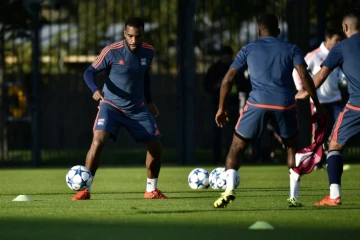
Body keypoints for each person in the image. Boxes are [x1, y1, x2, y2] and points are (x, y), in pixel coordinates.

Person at [212, 13, 325, 208]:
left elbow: (227, 79)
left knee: (236, 148)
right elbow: (304, 76)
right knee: (291, 149)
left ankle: (229, 190)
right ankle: (293, 197)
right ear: (278, 31)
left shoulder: (248, 49)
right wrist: (316, 101)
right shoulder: (291, 48)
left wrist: (221, 108)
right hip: (285, 104)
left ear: (258, 31)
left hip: (257, 104)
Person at [73, 17, 167, 200]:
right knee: (98, 140)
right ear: (125, 33)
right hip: (111, 106)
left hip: (137, 108)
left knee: (156, 146)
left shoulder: (148, 52)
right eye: (130, 36)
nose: (133, 41)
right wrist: (95, 89)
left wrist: (149, 101)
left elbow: (144, 76)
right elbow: (89, 72)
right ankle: (85, 189)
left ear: (143, 35)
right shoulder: (111, 51)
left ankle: (151, 190)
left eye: (137, 36)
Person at [296, 8, 360, 206]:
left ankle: (334, 196)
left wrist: (306, 92)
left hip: (357, 106)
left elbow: (321, 76)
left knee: (334, 145)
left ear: (345, 27)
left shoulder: (340, 48)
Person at [293, 29, 343, 169]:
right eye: (336, 40)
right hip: (319, 101)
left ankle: (332, 158)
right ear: (328, 39)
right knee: (318, 132)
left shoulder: (338, 54)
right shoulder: (314, 55)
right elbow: (296, 70)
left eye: (340, 41)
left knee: (340, 129)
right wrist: (300, 89)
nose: (338, 43)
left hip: (336, 99)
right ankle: (316, 161)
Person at [203, 46, 248, 164]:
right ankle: (216, 158)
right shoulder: (214, 69)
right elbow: (207, 86)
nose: (226, 57)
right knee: (216, 134)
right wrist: (217, 86)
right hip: (217, 105)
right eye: (224, 55)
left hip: (233, 105)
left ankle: (232, 158)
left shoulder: (236, 69)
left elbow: (244, 86)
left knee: (233, 134)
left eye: (228, 55)